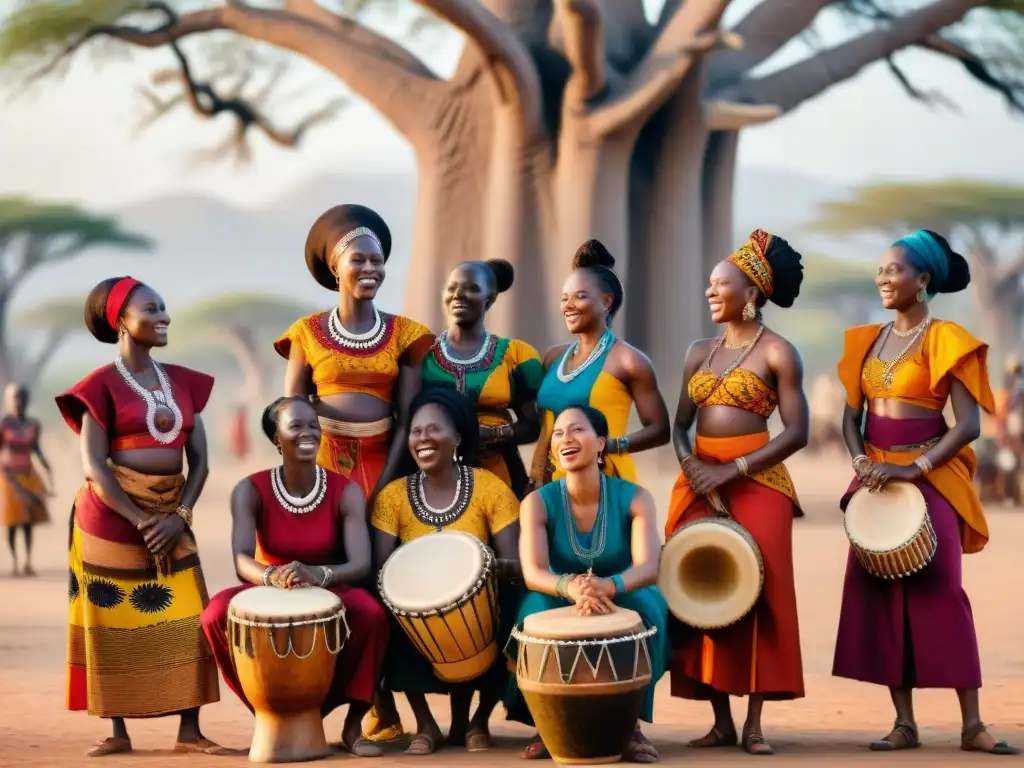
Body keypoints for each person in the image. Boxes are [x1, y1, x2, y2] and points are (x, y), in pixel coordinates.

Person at [832, 229, 1019, 755]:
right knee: (884, 596)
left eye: (894, 270)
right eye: (881, 271)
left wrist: (917, 466)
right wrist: (862, 461)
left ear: (923, 279)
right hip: (875, 478)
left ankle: (972, 725)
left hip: (930, 475)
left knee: (942, 590)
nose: (884, 279)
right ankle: (904, 722)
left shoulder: (946, 339)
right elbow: (851, 419)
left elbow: (969, 426)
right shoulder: (865, 341)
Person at [54, 276, 222, 757]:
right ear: (121, 322)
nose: (163, 315)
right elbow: (95, 468)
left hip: (173, 512)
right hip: (109, 517)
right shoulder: (98, 387)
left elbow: (202, 461)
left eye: (165, 306)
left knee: (192, 614)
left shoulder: (185, 382)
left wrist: (178, 517)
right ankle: (118, 731)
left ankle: (189, 731)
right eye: (150, 309)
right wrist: (140, 520)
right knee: (111, 619)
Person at [665, 229, 808, 756]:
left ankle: (754, 722)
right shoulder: (697, 352)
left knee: (757, 593)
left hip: (759, 483)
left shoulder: (779, 353)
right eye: (709, 284)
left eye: (720, 284)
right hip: (699, 479)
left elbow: (798, 432)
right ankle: (720, 718)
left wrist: (733, 471)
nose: (710, 292)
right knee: (703, 591)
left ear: (750, 293)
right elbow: (680, 425)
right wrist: (695, 469)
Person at [200, 396, 389, 758]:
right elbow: (241, 559)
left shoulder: (344, 490)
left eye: (313, 425)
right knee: (214, 616)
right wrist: (273, 575)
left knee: (372, 615)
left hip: (329, 584)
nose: (308, 432)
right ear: (277, 439)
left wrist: (318, 574)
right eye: (296, 426)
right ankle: (269, 715)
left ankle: (353, 726)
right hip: (270, 586)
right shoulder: (249, 489)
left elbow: (361, 563)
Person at [509, 405, 668, 763]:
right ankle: (547, 721)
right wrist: (573, 588)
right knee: (533, 608)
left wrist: (608, 586)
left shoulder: (636, 497)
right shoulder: (537, 502)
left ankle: (631, 725)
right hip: (559, 593)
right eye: (558, 434)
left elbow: (647, 567)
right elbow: (533, 571)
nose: (566, 439)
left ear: (599, 444)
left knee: (647, 607)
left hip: (622, 589)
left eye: (576, 430)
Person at [369, 388, 522, 756]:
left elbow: (515, 562)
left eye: (433, 429)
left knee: (516, 602)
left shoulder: (489, 488)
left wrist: (493, 571)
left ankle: (478, 719)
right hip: (416, 612)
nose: (423, 438)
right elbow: (379, 569)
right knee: (380, 611)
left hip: (482, 608)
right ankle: (425, 722)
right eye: (416, 431)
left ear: (457, 438)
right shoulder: (393, 497)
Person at [275, 204, 434, 507]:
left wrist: (386, 488)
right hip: (318, 464)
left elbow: (407, 421)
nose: (370, 268)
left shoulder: (407, 334)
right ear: (336, 268)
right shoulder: (305, 332)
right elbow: (292, 414)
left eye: (377, 260)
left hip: (384, 464)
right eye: (358, 260)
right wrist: (304, 478)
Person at [529, 240, 670, 487]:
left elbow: (659, 430)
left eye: (580, 297)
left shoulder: (629, 361)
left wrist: (610, 445)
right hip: (552, 485)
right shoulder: (553, 358)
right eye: (564, 298)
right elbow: (546, 429)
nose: (568, 306)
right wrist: (534, 477)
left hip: (605, 482)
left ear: (606, 302)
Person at [421, 258, 544, 498]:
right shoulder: (422, 354)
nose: (458, 295)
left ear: (490, 299)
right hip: (434, 475)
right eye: (452, 287)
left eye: (472, 288)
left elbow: (532, 425)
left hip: (501, 476)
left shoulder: (516, 355)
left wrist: (495, 434)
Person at [1, 382, 53, 577]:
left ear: (27, 400)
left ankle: (27, 562)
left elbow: (36, 449)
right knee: (13, 521)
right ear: (7, 400)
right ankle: (14, 562)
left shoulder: (33, 424)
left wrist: (46, 465)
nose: (18, 401)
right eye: (15, 397)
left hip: (29, 475)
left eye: (21, 397)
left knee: (28, 521)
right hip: (9, 477)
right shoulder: (4, 424)